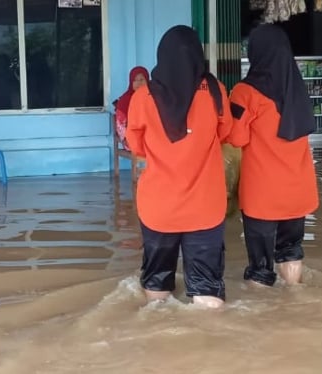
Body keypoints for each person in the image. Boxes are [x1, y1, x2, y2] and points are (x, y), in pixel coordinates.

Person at [126, 25, 233, 309]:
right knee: (208, 295)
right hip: (205, 207)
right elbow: (226, 133)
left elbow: (135, 146)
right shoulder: (215, 91)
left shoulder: (143, 96)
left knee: (157, 291)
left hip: (159, 208)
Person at [227, 24, 319, 287]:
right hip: (297, 190)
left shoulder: (245, 93)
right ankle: (295, 298)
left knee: (261, 266)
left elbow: (236, 138)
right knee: (291, 250)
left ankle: (264, 320)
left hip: (263, 194)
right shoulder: (298, 90)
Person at [114, 66, 149, 150]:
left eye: (141, 80)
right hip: (131, 138)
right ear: (131, 82)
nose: (138, 83)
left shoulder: (152, 97)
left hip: (149, 137)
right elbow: (120, 124)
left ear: (147, 81)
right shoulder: (125, 100)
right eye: (135, 80)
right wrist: (126, 139)